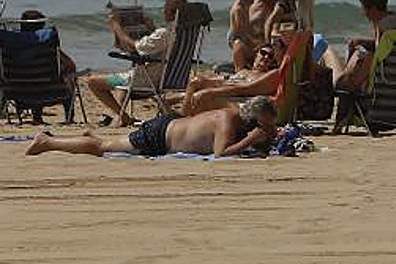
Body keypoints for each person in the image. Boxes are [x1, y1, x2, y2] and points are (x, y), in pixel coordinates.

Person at [26, 96, 279, 159]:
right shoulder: (228, 120)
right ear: (253, 120)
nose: (264, 130)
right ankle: (47, 142)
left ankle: (89, 134)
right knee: (102, 148)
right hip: (160, 136)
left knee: (110, 143)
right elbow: (220, 153)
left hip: (168, 128)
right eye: (263, 126)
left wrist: (268, 139)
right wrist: (250, 140)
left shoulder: (238, 119)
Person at [85, 0, 187, 126]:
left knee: (93, 81)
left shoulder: (165, 33)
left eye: (165, 8)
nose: (163, 11)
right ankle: (119, 116)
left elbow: (136, 47)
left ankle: (124, 117)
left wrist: (116, 27)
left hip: (147, 80)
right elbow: (159, 47)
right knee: (123, 80)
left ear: (172, 12)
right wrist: (151, 29)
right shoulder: (181, 32)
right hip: (169, 77)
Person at [183, 37, 286, 114]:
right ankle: (182, 111)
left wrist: (212, 91)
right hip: (225, 87)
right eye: (263, 53)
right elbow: (238, 44)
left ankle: (184, 115)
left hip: (234, 96)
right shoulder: (242, 70)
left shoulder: (269, 75)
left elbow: (245, 89)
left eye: (271, 56)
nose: (266, 57)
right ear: (256, 54)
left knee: (196, 92)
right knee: (194, 82)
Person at [17, 10, 77, 125]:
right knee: (68, 76)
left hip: (19, 93)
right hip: (51, 92)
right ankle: (69, 117)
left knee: (32, 78)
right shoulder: (47, 43)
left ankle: (37, 117)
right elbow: (71, 65)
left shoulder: (11, 45)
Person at [227, 0, 259, 71]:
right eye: (251, 0)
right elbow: (239, 28)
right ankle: (241, 67)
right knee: (250, 50)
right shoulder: (238, 9)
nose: (252, 2)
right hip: (236, 36)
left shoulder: (242, 4)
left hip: (240, 34)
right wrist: (251, 39)